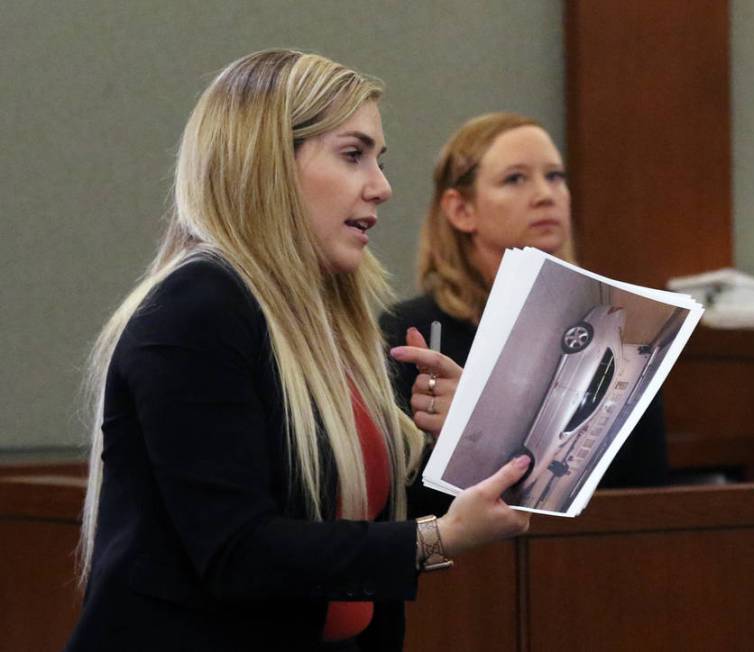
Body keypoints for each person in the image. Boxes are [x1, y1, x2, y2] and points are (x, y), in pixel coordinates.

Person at [66, 50, 531, 652]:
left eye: (378, 160)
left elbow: (346, 525)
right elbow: (238, 552)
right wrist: (434, 540)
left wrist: (468, 438)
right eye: (352, 154)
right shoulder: (195, 310)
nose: (383, 187)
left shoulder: (328, 317)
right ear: (270, 164)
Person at [380, 112, 668, 518]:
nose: (545, 195)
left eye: (555, 176)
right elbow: (400, 504)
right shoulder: (409, 334)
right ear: (461, 209)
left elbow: (645, 494)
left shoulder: (617, 329)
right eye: (515, 179)